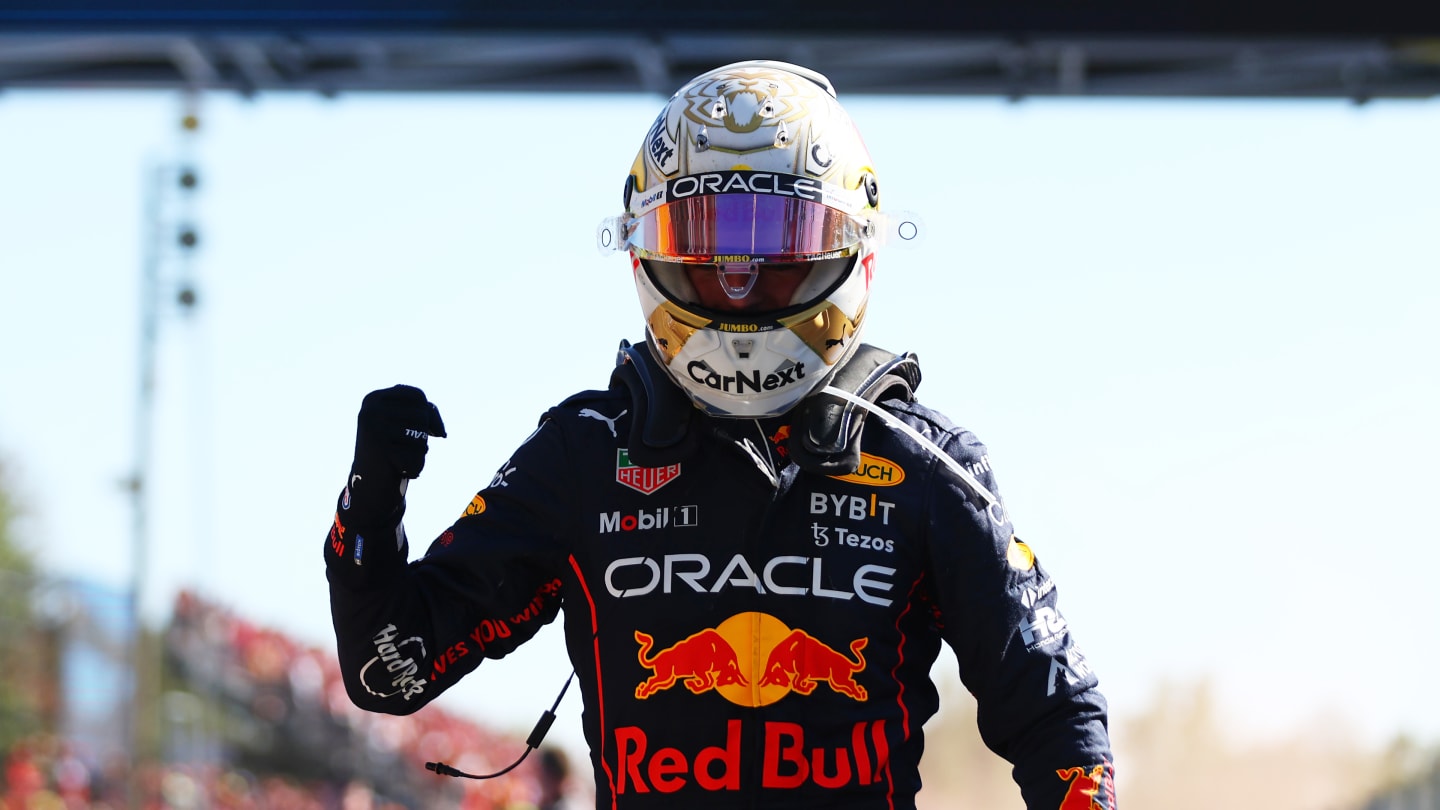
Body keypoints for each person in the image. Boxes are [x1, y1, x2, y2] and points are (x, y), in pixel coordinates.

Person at [324, 60, 1116, 809]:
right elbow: (386, 672)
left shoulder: (924, 465)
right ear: (646, 249)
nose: (738, 284)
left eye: (775, 256)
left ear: (851, 251)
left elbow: (1059, 717)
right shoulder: (583, 455)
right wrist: (371, 511)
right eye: (706, 254)